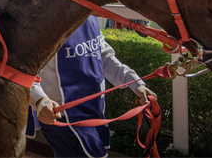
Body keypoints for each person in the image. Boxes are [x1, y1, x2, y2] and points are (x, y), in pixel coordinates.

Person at [29, 15, 156, 158]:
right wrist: (39, 99)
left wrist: (135, 84)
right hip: (63, 118)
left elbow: (104, 57)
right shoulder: (45, 25)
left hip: (94, 112)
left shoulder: (89, 18)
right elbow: (25, 72)